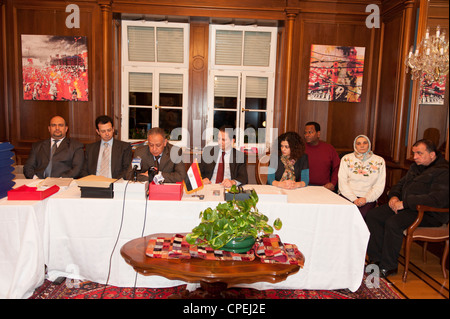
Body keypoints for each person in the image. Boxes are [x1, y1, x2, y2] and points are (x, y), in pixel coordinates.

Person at [366, 139, 449, 278]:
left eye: (419, 153)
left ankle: (389, 266)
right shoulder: (416, 166)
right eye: (414, 153)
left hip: (429, 213)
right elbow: (400, 185)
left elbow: (436, 199)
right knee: (374, 215)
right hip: (408, 207)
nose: (415, 157)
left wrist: (405, 203)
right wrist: (393, 196)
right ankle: (376, 259)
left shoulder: (444, 172)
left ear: (432, 155)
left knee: (393, 223)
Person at [338, 135, 386, 218]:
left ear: (369, 144)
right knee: (344, 215)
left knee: (360, 216)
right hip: (347, 196)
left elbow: (379, 185)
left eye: (365, 143)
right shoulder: (346, 159)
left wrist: (366, 199)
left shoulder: (379, 161)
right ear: (355, 145)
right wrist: (353, 198)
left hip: (368, 198)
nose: (362, 145)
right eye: (358, 143)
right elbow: (342, 182)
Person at [304, 121, 340, 191]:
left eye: (310, 132)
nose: (307, 135)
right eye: (305, 133)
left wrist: (333, 183)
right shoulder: (300, 148)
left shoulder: (329, 148)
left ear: (318, 134)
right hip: (303, 187)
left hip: (324, 188)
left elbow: (337, 167)